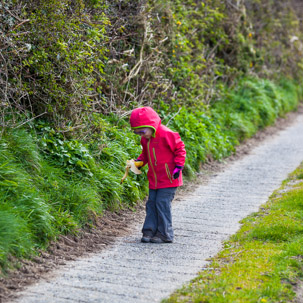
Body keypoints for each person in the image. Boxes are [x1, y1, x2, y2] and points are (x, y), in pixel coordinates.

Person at [129, 106, 186, 243]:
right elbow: (145, 155)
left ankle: (165, 233)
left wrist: (178, 166)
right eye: (138, 133)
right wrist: (139, 162)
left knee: (162, 203)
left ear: (151, 125)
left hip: (169, 178)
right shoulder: (146, 139)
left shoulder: (167, 134)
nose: (142, 135)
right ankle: (149, 231)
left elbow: (180, 148)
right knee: (151, 203)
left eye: (142, 132)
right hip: (154, 179)